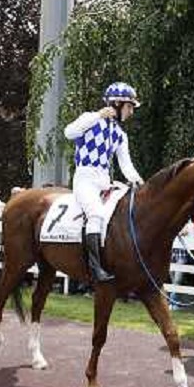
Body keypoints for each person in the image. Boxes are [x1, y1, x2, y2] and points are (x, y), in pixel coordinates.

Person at [64, 81, 143, 283]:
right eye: (129, 106)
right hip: (85, 179)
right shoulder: (90, 119)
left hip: (105, 182)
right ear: (116, 103)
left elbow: (126, 166)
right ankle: (94, 267)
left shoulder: (120, 135)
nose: (131, 111)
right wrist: (98, 115)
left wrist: (140, 182)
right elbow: (69, 132)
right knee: (96, 214)